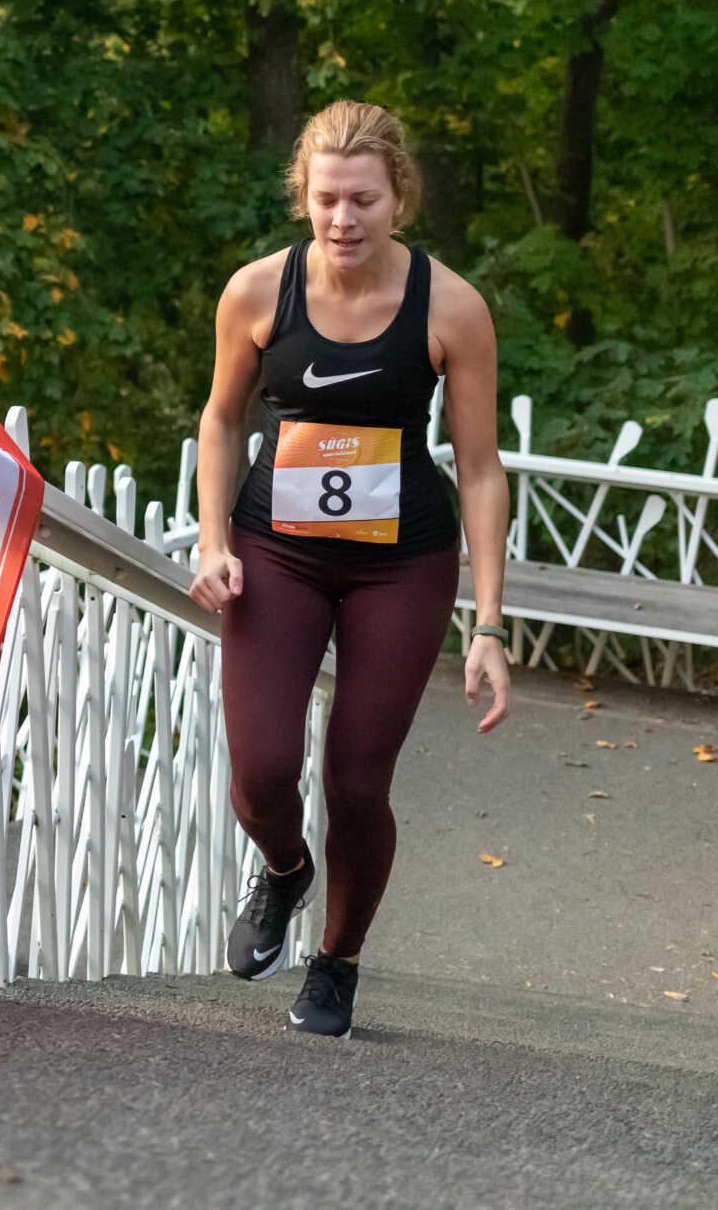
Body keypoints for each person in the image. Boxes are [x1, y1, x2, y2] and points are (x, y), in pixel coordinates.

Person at [187, 100, 512, 1039]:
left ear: (398, 197)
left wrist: (489, 623)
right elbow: (221, 419)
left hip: (400, 564)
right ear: (304, 196)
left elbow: (481, 468)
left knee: (359, 781)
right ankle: (285, 869)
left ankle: (337, 960)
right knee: (261, 768)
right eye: (327, 199)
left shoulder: (452, 307)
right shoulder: (257, 292)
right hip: (276, 550)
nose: (343, 219)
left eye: (363, 199)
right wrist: (212, 539)